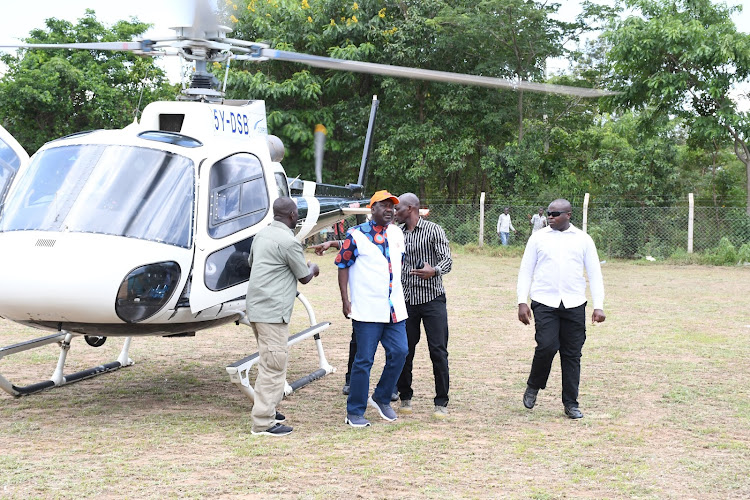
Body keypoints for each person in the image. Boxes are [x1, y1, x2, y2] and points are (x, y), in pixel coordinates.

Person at [516, 199, 605, 419]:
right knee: (546, 346)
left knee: (572, 354)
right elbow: (526, 270)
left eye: (555, 213)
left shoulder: (583, 240)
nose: (550, 217)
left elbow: (594, 274)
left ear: (568, 215)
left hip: (574, 303)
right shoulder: (538, 238)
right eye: (549, 213)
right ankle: (534, 386)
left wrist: (598, 305)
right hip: (544, 301)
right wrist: (522, 301)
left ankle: (571, 403)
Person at [246, 197, 320, 436]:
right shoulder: (289, 242)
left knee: (270, 361)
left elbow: (252, 262)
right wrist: (313, 268)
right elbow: (304, 277)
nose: (297, 216)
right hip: (273, 313)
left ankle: (267, 407)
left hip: (256, 309)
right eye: (296, 213)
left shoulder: (262, 235)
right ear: (291, 215)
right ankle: (263, 422)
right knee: (273, 366)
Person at [335, 190, 408, 428]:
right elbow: (343, 265)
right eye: (384, 205)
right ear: (372, 209)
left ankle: (381, 396)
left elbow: (398, 265)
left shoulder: (397, 234)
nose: (390, 210)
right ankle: (355, 411)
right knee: (364, 360)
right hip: (367, 309)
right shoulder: (355, 235)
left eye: (392, 206)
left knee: (400, 352)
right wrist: (345, 300)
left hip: (394, 308)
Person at [394, 193, 453, 418]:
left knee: (438, 350)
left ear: (410, 208)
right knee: (404, 351)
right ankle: (405, 397)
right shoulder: (396, 232)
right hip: (406, 300)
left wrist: (434, 271)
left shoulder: (433, 230)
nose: (394, 212)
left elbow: (447, 260)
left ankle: (441, 402)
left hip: (432, 299)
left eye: (397, 208)